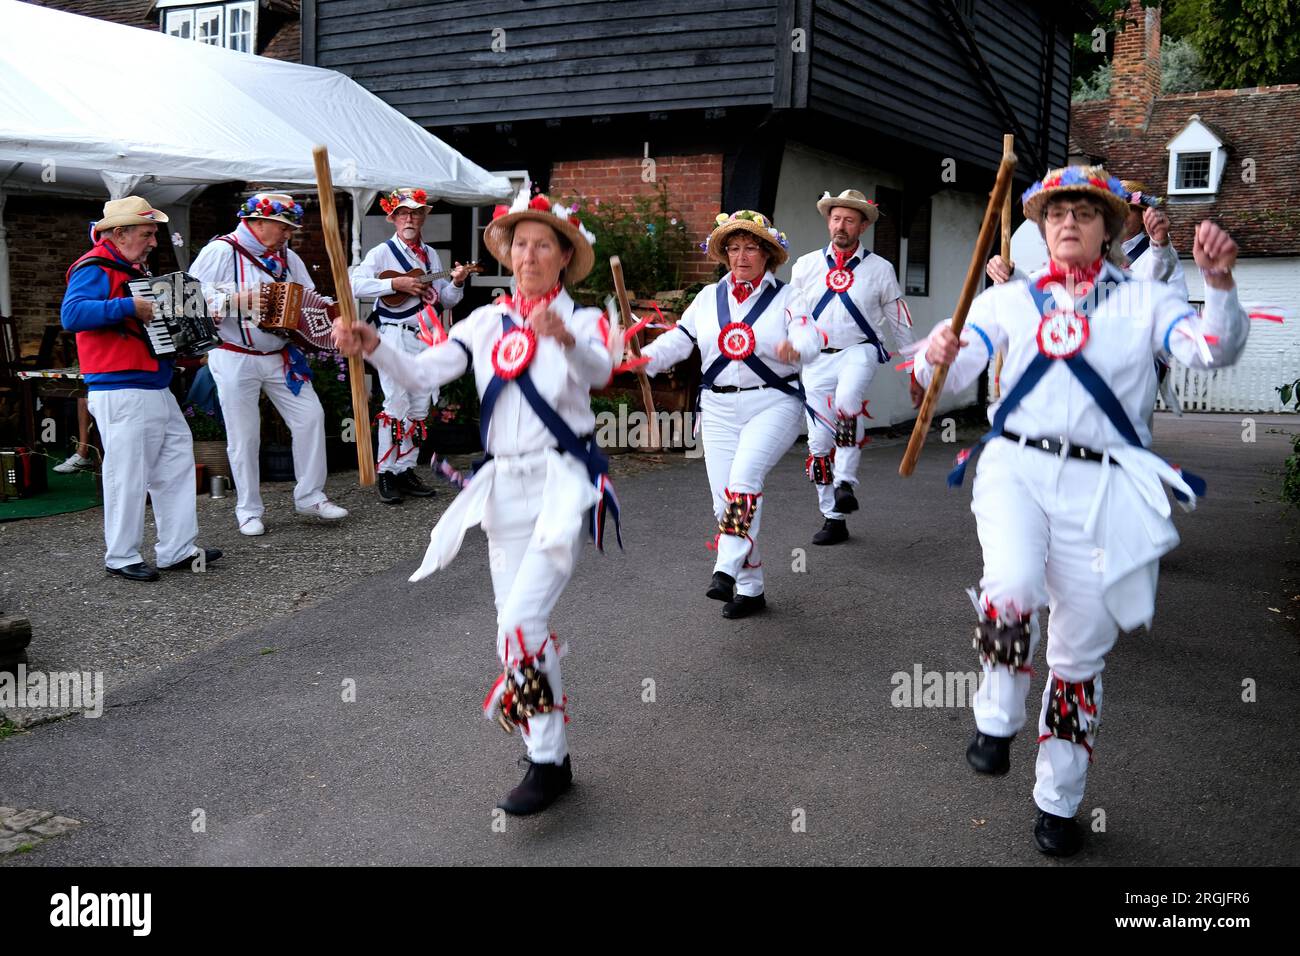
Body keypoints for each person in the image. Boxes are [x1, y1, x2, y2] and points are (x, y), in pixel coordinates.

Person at [912, 165, 1247, 856]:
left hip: (1108, 487)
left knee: (1080, 653)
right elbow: (952, 366)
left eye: (1086, 213)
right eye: (1057, 212)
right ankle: (996, 720)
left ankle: (1058, 802)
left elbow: (1212, 350)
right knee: (1010, 587)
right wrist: (935, 354)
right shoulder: (1006, 300)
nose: (1069, 222)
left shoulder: (1148, 301)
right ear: (1040, 227)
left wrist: (1218, 286)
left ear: (1112, 226)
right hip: (1016, 468)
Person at [334, 188, 629, 815]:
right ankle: (551, 755)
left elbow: (602, 372)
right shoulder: (486, 321)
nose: (528, 254)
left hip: (560, 484)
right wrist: (375, 346)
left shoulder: (583, 320)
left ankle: (546, 765)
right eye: (519, 243)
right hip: (502, 487)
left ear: (563, 255)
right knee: (512, 632)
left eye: (542, 244)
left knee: (522, 624)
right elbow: (421, 373)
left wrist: (566, 342)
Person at [641, 210, 821, 617]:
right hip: (718, 408)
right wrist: (642, 359)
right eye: (734, 248)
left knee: (744, 481)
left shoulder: (789, 297)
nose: (742, 256)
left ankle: (724, 567)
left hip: (773, 402)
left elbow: (807, 333)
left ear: (768, 255)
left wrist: (799, 347)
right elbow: (679, 342)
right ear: (725, 254)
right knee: (724, 503)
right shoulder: (707, 299)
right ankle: (751, 587)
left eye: (751, 248)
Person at [60, 196, 220, 581]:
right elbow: (72, 314)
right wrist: (128, 307)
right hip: (121, 386)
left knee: (175, 465)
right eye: (147, 234)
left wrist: (184, 348)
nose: (153, 242)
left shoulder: (127, 269)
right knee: (127, 472)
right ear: (120, 233)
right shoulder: (94, 266)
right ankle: (120, 555)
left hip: (150, 384)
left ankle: (177, 548)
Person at [189, 192, 348, 536]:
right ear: (257, 223)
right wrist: (236, 300)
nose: (289, 234)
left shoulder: (288, 257)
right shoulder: (220, 251)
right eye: (284, 227)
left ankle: (310, 496)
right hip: (233, 355)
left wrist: (333, 316)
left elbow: (310, 299)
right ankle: (248, 510)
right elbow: (189, 299)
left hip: (280, 355)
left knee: (311, 417)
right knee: (244, 434)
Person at [791, 189, 915, 545]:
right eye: (835, 218)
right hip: (815, 359)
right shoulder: (806, 266)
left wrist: (914, 369)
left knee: (847, 401)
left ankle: (845, 481)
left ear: (862, 226)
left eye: (849, 219)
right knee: (817, 441)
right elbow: (795, 318)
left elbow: (898, 321)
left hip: (858, 351)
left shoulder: (880, 269)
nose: (840, 225)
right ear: (828, 222)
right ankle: (833, 518)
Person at [349, 187, 472, 503]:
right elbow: (355, 285)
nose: (410, 218)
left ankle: (405, 468)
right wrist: (395, 283)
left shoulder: (431, 256)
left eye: (416, 212)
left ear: (422, 218)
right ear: (392, 218)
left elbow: (444, 299)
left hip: (425, 337)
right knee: (396, 404)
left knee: (419, 406)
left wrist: (457, 281)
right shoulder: (381, 253)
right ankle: (386, 472)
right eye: (403, 212)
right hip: (392, 335)